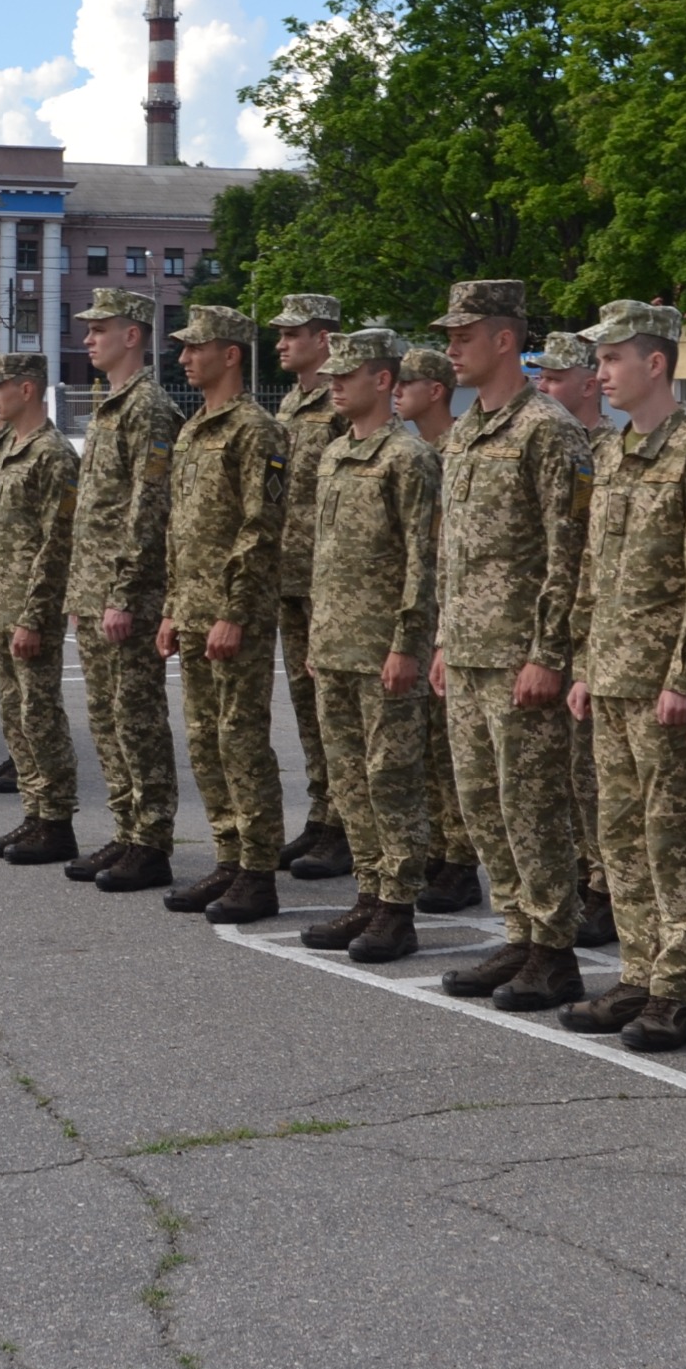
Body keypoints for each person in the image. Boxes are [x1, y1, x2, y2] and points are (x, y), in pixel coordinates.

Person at [561, 302, 686, 1052]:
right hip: (609, 673)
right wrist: (580, 660)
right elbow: (593, 570)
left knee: (671, 840)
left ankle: (675, 989)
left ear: (654, 363)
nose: (600, 372)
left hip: (664, 682)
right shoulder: (610, 453)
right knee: (620, 835)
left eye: (611, 359)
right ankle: (637, 971)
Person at [429, 281, 592, 1015]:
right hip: (467, 649)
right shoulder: (466, 430)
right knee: (483, 805)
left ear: (503, 340)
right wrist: (441, 636)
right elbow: (451, 549)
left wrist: (549, 652)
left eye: (463, 337)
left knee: (532, 805)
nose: (451, 350)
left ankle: (554, 951)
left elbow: (571, 549)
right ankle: (520, 932)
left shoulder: (548, 430)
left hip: (518, 654)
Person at [296, 328, 439, 964]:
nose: (333, 383)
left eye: (346, 375)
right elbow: (328, 560)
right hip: (335, 646)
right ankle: (369, 891)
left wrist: (408, 642)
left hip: (384, 650)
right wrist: (318, 635)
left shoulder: (407, 459)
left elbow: (423, 559)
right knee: (350, 781)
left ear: (382, 380)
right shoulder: (334, 454)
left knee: (392, 781)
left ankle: (398, 906)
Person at [159, 305, 290, 925]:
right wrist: (170, 607)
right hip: (193, 609)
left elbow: (260, 529)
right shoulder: (193, 429)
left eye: (196, 347)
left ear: (231, 353)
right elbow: (179, 530)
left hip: (233, 616)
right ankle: (229, 854)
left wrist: (234, 611)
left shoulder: (254, 430)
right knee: (205, 743)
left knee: (240, 741)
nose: (185, 357)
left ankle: (259, 870)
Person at [65, 288, 183, 892]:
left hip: (126, 594)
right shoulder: (108, 404)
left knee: (137, 718)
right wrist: (81, 594)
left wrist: (124, 592)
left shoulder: (147, 408)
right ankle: (126, 828)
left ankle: (152, 839)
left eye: (100, 328)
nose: (89, 338)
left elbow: (148, 506)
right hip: (94, 590)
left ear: (133, 334)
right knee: (107, 719)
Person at [0, 351, 83, 863]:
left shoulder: (52, 454)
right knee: (15, 715)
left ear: (28, 389)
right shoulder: (7, 448)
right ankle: (34, 813)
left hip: (30, 610)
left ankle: (56, 821)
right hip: (3, 605)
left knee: (39, 714)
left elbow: (55, 544)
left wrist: (35, 615)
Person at [535, 328, 618, 950]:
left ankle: (602, 886)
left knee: (590, 776)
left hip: (594, 637)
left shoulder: (605, 449)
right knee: (563, 772)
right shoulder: (555, 442)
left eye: (555, 377)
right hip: (561, 626)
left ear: (589, 383)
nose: (544, 386)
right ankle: (581, 876)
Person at [269, 294, 354, 881]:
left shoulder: (342, 401)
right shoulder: (292, 403)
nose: (281, 343)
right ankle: (323, 816)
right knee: (307, 709)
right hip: (291, 577)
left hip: (331, 582)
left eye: (293, 333)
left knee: (338, 713)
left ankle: (348, 825)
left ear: (324, 339)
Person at [396, 346, 482, 913]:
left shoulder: (458, 449)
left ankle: (459, 859)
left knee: (449, 746)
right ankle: (433, 846)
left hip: (447, 610)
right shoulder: (409, 451)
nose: (395, 390)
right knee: (424, 744)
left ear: (435, 389)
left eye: (406, 381)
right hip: (420, 608)